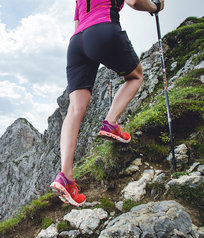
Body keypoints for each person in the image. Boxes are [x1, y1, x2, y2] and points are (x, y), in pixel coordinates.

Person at [50, 0, 164, 206]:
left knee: (75, 108)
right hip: (103, 28)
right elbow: (135, 1)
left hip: (76, 42)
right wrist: (155, 7)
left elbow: (77, 23)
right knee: (136, 76)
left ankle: (65, 176)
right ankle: (111, 122)